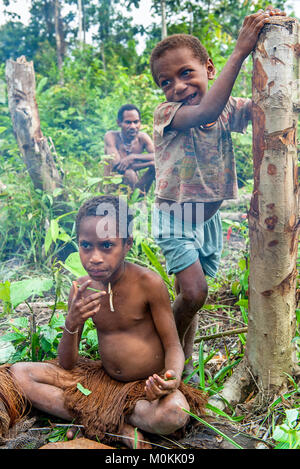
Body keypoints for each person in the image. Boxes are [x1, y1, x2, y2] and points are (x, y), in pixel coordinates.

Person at [1, 196, 206, 449]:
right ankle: (117, 427)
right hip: (101, 382)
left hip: (145, 389)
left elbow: (173, 346)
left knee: (174, 412)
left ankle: (97, 420)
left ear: (127, 244)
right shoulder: (81, 288)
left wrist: (169, 380)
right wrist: (72, 321)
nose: (95, 257)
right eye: (86, 245)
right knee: (20, 374)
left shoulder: (148, 284)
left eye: (107, 245)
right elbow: (67, 364)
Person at [149, 6, 286, 382]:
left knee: (188, 301)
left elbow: (276, 107)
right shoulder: (168, 113)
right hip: (175, 217)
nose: (177, 86)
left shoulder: (229, 111)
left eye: (186, 73)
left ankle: (183, 366)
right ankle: (164, 357)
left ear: (209, 69)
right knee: (194, 292)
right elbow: (208, 108)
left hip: (208, 222)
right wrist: (239, 50)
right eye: (166, 81)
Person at [104, 104, 155, 194]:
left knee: (156, 167)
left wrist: (133, 157)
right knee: (129, 174)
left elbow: (159, 156)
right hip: (114, 188)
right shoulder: (111, 136)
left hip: (135, 187)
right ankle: (131, 202)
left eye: (136, 122)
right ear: (119, 123)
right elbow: (118, 166)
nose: (132, 126)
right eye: (128, 122)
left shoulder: (142, 138)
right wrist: (150, 162)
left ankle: (140, 199)